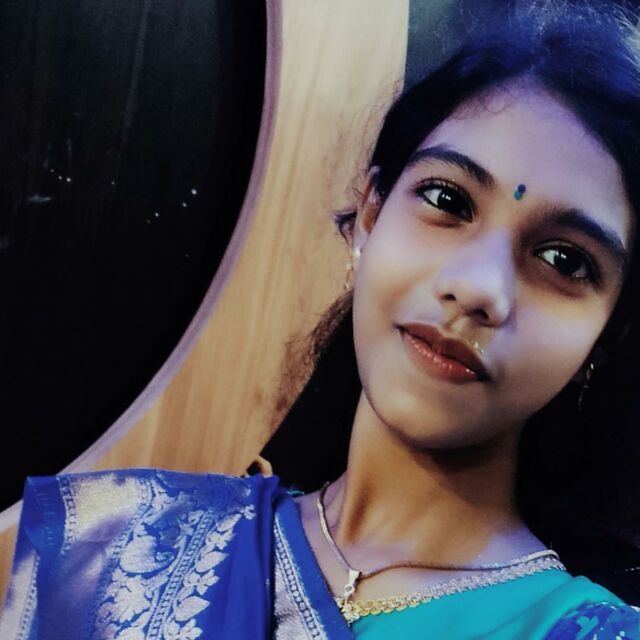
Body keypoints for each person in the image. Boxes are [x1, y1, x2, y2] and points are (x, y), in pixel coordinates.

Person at [2, 1, 640, 638]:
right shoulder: (114, 546)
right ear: (370, 214)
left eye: (564, 260)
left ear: (605, 338)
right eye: (447, 199)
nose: (477, 287)